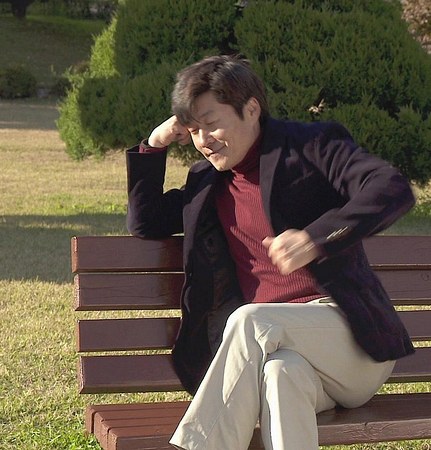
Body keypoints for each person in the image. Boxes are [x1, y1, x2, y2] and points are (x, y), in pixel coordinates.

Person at [126, 54, 416, 450]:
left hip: (351, 342)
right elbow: (146, 222)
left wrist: (317, 238)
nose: (203, 141)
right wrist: (153, 145)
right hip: (281, 352)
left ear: (250, 109)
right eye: (193, 131)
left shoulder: (312, 146)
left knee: (251, 320)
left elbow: (390, 187)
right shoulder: (207, 182)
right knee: (281, 376)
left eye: (211, 124)